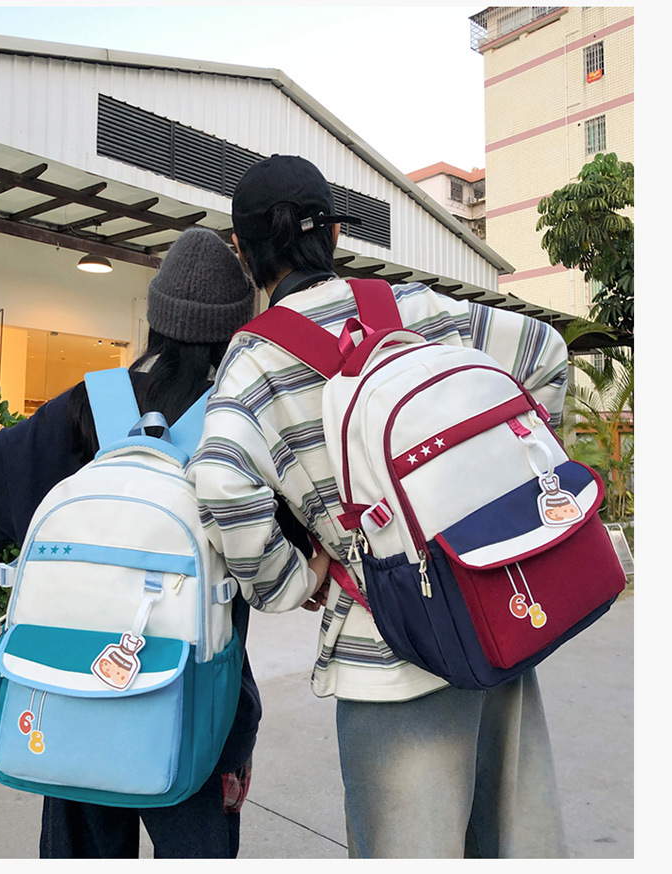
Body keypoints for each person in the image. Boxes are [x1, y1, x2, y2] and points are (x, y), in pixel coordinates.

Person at [188, 155, 571, 859]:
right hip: (495, 611)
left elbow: (219, 480)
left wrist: (293, 579)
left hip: (387, 644)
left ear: (242, 251)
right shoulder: (414, 308)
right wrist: (515, 500)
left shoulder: (254, 363)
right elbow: (545, 351)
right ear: (335, 234)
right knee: (513, 843)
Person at [0, 227, 261, 859]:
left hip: (73, 689)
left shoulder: (85, 408)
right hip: (200, 706)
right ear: (237, 331)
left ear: (155, 319)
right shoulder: (238, 425)